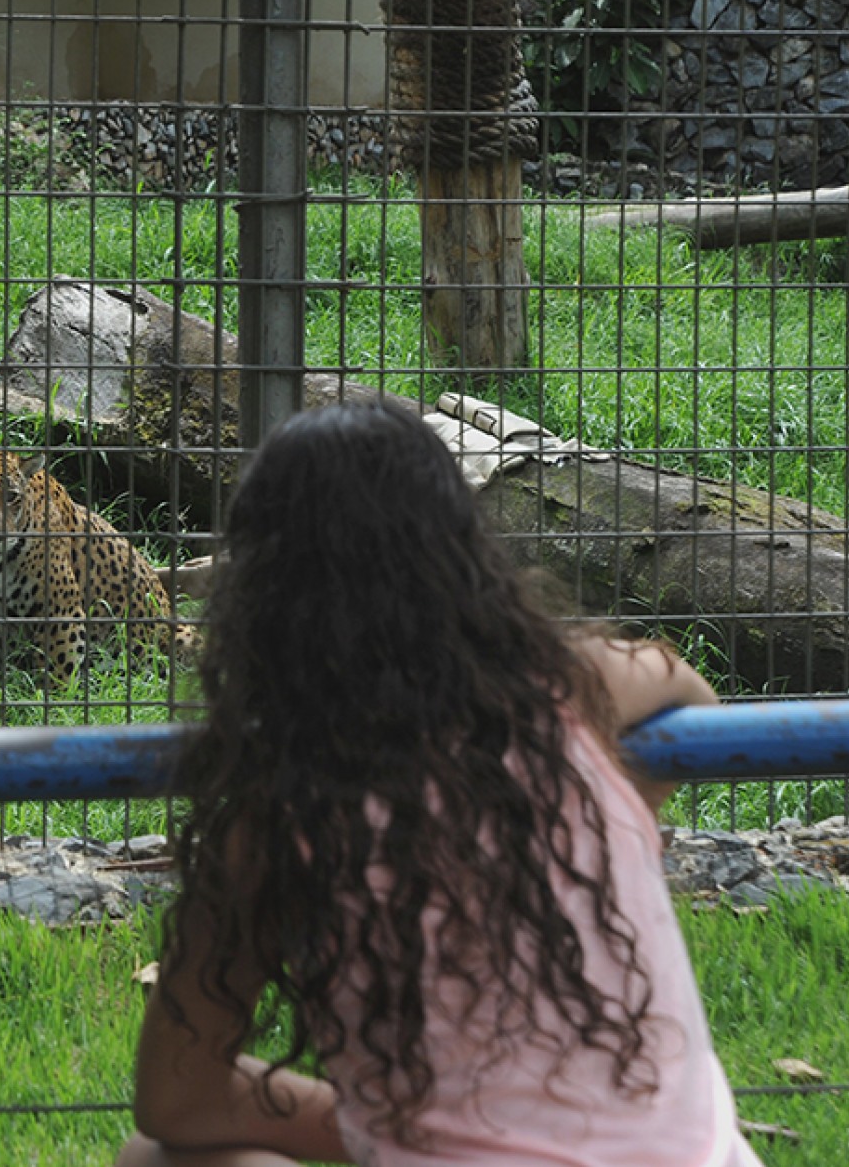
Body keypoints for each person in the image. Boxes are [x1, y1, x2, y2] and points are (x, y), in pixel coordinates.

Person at [119, 401, 760, 1167]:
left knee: (151, 1160)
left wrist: (378, 1125)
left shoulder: (271, 820)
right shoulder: (572, 694)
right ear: (461, 550)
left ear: (257, 601)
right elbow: (690, 692)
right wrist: (581, 814)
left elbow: (175, 1102)